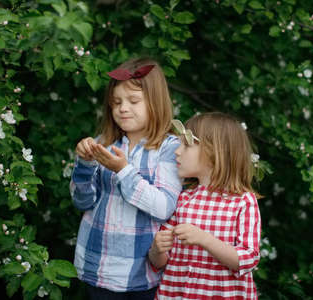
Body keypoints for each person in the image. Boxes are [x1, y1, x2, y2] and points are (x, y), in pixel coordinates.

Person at [70, 57, 182, 299]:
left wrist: (124, 170)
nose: (122, 108)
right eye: (116, 102)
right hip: (96, 265)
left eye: (133, 101)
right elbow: (82, 202)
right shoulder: (102, 144)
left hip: (140, 273)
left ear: (156, 103)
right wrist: (85, 164)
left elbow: (163, 206)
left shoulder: (168, 148)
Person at [149, 112, 262, 300]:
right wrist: (157, 249)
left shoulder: (243, 201)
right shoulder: (183, 199)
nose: (177, 151)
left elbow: (247, 259)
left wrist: (204, 239)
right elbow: (161, 262)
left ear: (213, 151)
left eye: (186, 145)